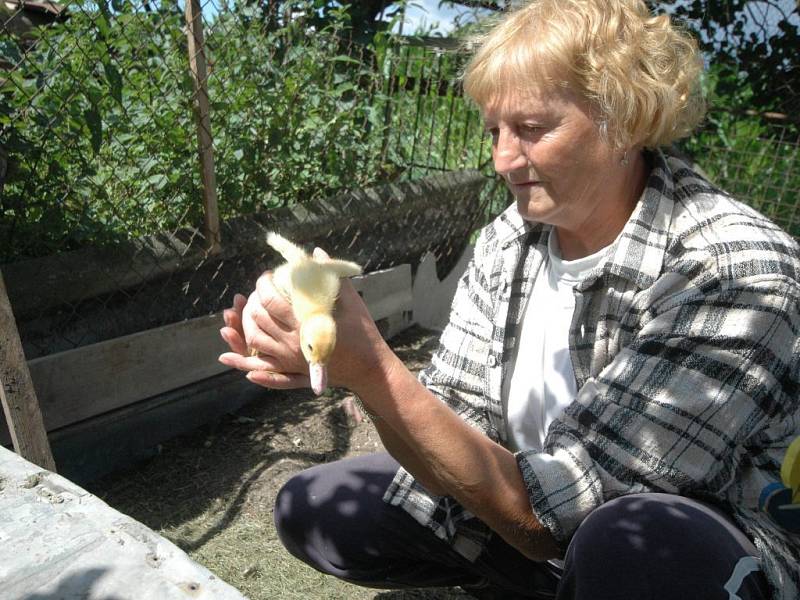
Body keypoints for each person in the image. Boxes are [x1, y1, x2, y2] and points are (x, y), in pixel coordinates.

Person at [218, 1, 800, 598]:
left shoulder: (734, 272)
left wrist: (374, 367)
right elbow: (447, 420)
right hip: (533, 512)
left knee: (628, 545)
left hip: (675, 545)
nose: (501, 159)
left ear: (625, 119)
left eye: (531, 129)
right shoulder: (510, 240)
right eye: (495, 130)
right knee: (315, 507)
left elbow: (562, 515)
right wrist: (349, 368)